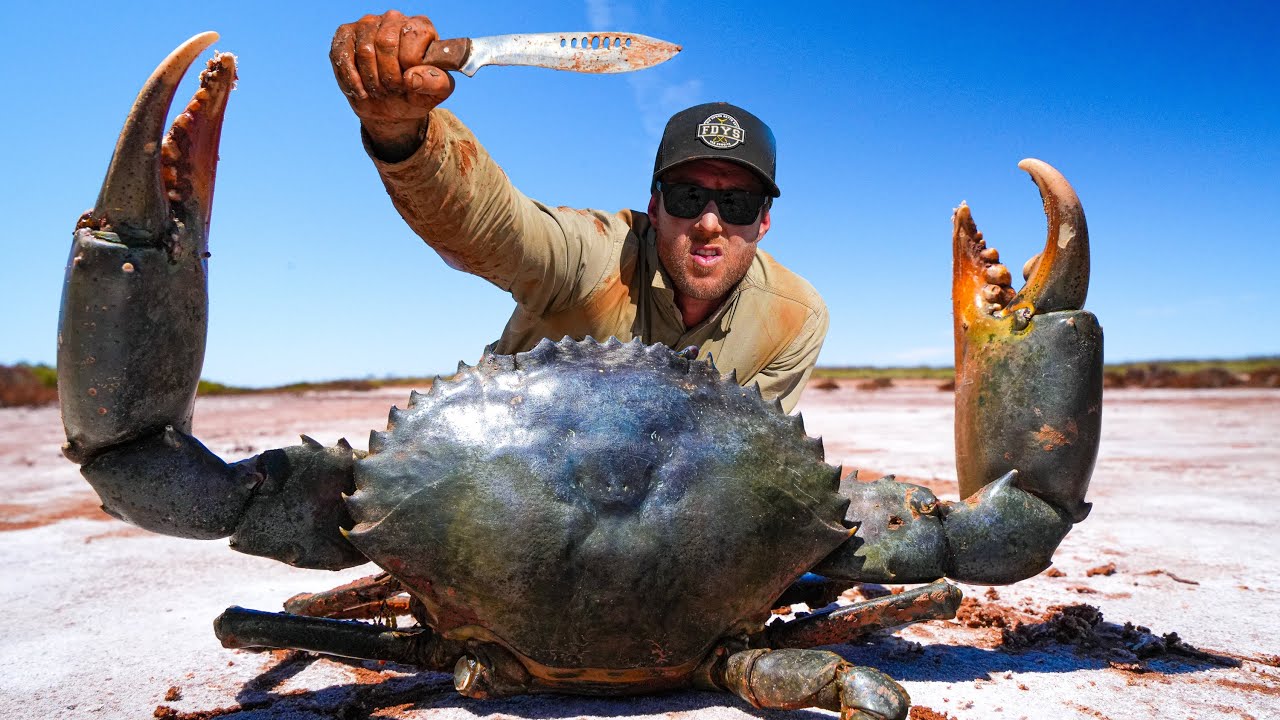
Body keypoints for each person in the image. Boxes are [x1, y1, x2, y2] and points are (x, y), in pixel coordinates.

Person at [330, 11, 828, 412]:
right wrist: (403, 135)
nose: (709, 223)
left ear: (764, 221)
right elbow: (490, 228)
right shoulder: (594, 258)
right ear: (655, 207)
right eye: (688, 197)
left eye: (737, 203)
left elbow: (750, 458)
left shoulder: (794, 319)